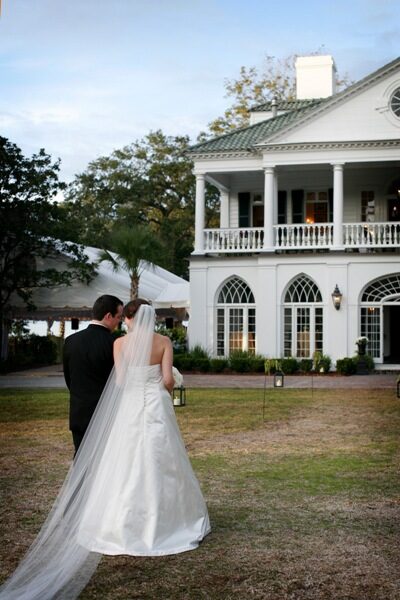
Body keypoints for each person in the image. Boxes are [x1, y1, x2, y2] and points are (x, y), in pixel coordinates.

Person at [0, 300, 210, 600]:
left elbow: (121, 381)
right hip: (156, 407)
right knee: (162, 459)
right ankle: (171, 522)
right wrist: (168, 382)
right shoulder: (163, 342)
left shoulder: (120, 344)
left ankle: (118, 524)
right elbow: (166, 381)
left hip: (129, 407)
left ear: (129, 318)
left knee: (123, 463)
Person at [63, 294, 124, 453]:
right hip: (107, 413)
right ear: (108, 316)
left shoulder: (71, 341)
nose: (120, 321)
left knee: (80, 459)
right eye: (118, 317)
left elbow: (69, 378)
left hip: (79, 412)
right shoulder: (115, 343)